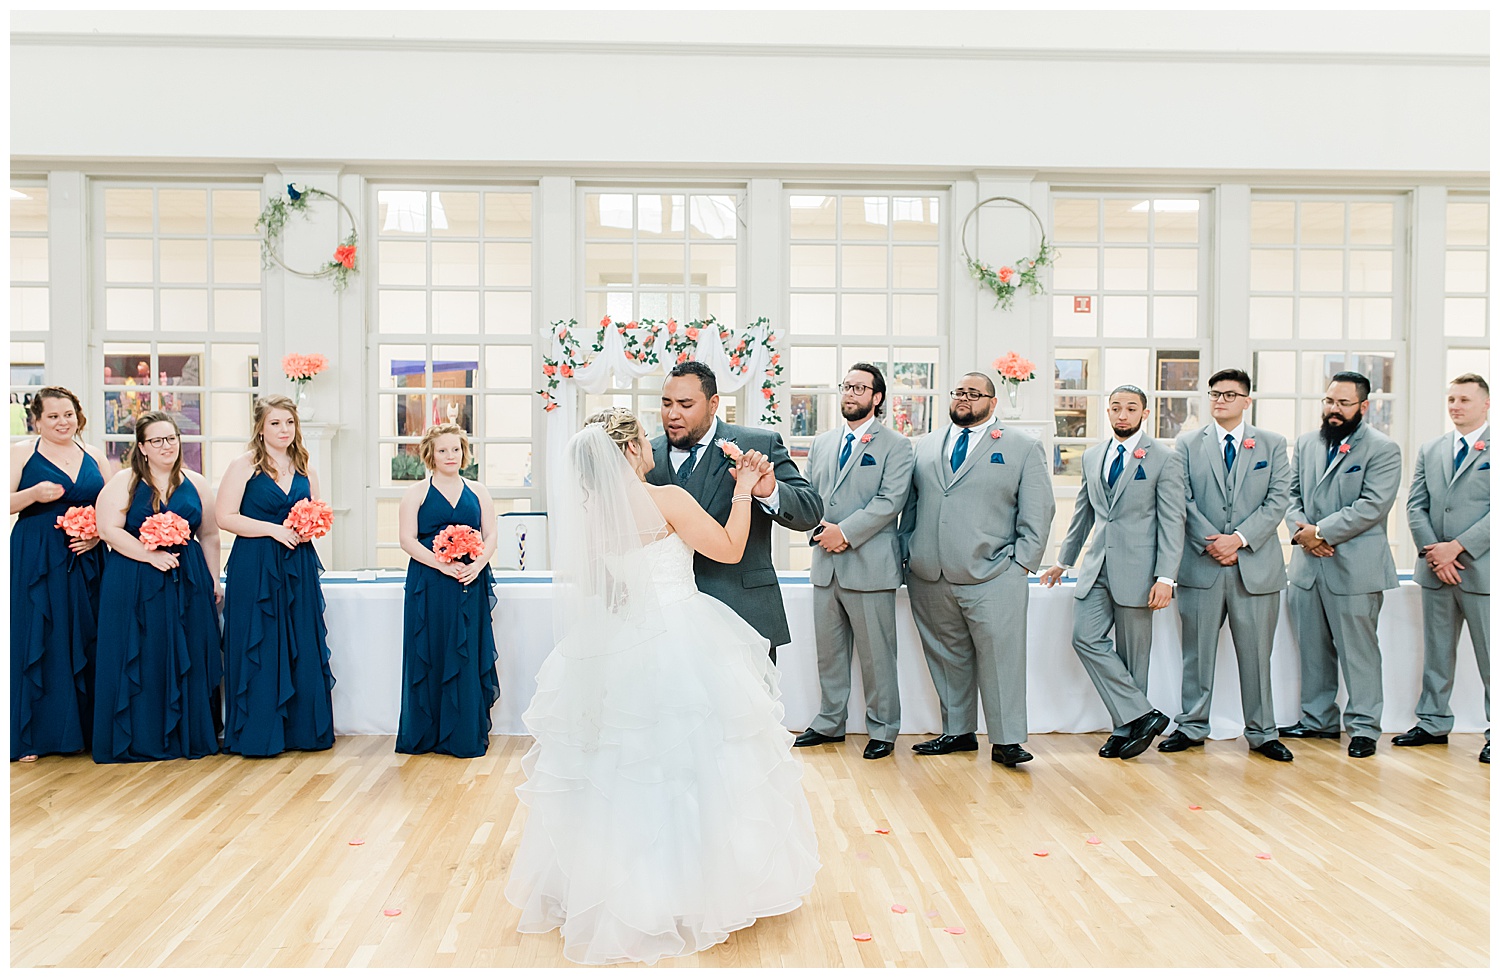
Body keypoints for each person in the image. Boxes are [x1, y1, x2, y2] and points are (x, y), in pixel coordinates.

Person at [506, 408, 818, 965]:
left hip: (620, 640)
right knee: (697, 763)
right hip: (682, 632)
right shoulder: (666, 498)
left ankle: (630, 889)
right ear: (629, 451)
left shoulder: (593, 514)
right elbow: (725, 548)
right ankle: (695, 887)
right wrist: (744, 489)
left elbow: (605, 585)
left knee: (621, 766)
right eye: (642, 441)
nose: (653, 444)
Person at [900, 371, 1054, 767]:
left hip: (994, 574)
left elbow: (1038, 511)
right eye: (959, 392)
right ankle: (958, 731)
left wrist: (1021, 565)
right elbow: (912, 507)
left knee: (1002, 659)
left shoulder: (1021, 447)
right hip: (930, 573)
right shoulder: (926, 445)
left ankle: (1006, 740)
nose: (964, 399)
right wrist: (908, 554)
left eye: (974, 393)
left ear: (993, 401)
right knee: (947, 656)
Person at [1042, 384, 1185, 760]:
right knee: (1085, 637)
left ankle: (1126, 730)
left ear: (1145, 414)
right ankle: (1143, 715)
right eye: (1116, 408)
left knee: (1134, 655)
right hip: (1096, 567)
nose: (1122, 415)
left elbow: (1173, 521)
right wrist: (1064, 560)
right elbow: (1083, 514)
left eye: (1131, 408)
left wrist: (1166, 577)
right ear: (1108, 412)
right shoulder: (1092, 457)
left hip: (1142, 571)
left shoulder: (1164, 459)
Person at [646, 361, 823, 663]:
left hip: (745, 615)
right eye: (666, 403)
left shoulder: (758, 443)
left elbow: (810, 510)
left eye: (685, 404)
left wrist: (770, 491)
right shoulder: (647, 456)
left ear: (713, 404)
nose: (673, 414)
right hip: (667, 627)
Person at [1165, 369, 1294, 762]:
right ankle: (1192, 726)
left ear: (1246, 401)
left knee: (1256, 656)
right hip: (1201, 566)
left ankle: (1262, 732)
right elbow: (1181, 500)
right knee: (1197, 654)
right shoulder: (1187, 444)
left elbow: (1278, 499)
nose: (1220, 400)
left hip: (1255, 567)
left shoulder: (1272, 444)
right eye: (1215, 394)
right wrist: (1214, 542)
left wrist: (1238, 540)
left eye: (1229, 394)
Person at [795, 364, 914, 760]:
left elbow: (889, 501)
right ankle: (830, 721)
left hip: (869, 565)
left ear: (877, 397)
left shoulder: (896, 445)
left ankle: (884, 727)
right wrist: (816, 528)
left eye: (860, 388)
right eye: (846, 386)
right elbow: (809, 493)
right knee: (829, 653)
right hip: (824, 565)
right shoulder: (822, 442)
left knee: (877, 656)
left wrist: (842, 532)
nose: (850, 393)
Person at [1280, 371, 1402, 758]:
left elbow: (1372, 506)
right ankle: (1317, 720)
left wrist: (1322, 532)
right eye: (1329, 401)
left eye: (1343, 403)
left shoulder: (1383, 449)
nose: (1334, 410)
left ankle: (1364, 727)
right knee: (1313, 649)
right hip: (1307, 569)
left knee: (1359, 652)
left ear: (1363, 407)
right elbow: (1289, 494)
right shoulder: (1305, 443)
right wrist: (1304, 535)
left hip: (1356, 569)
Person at [93, 412, 223, 763]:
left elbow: (209, 534)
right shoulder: (125, 481)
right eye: (157, 440)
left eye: (172, 438)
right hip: (135, 578)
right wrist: (149, 556)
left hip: (188, 578)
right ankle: (142, 735)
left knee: (188, 651)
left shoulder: (195, 482)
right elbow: (109, 530)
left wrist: (214, 578)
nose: (166, 446)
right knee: (143, 653)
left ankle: (188, 734)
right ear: (142, 447)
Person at [215, 395, 335, 757]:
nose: (284, 430)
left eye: (289, 423)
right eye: (275, 423)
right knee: (261, 642)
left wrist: (308, 526)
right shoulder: (244, 465)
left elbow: (313, 512)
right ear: (261, 428)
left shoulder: (306, 469)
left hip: (297, 564)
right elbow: (225, 517)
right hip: (255, 563)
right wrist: (273, 530)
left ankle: (302, 731)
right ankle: (260, 732)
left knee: (300, 639)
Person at [10, 387, 112, 762]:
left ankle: (83, 731)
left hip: (86, 556)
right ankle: (32, 735)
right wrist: (34, 492)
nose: (62, 422)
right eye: (52, 416)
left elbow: (115, 506)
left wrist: (97, 532)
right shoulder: (22, 453)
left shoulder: (95, 455)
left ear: (78, 416)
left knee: (85, 635)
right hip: (37, 555)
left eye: (68, 414)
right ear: (37, 420)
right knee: (41, 633)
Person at [1398, 372, 1490, 764]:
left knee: (1492, 657)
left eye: (1465, 400)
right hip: (1436, 571)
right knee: (1437, 653)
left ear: (1486, 404)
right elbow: (1415, 504)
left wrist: (1457, 548)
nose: (1456, 406)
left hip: (1482, 572)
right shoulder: (1431, 449)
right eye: (1452, 399)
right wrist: (1435, 553)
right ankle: (1433, 722)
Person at [395, 423, 499, 757]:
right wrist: (440, 564)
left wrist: (478, 564)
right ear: (431, 455)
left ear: (463, 452)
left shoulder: (478, 491)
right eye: (443, 450)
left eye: (455, 449)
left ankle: (464, 734)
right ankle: (428, 733)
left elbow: (491, 533)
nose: (450, 455)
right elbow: (407, 539)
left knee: (466, 652)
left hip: (470, 581)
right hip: (431, 583)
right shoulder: (417, 493)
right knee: (433, 649)